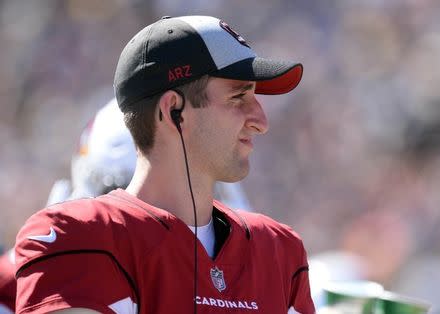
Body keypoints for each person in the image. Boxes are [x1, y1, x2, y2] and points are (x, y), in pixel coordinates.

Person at [15, 15, 314, 313]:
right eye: (238, 98)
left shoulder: (279, 250)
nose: (261, 122)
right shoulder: (79, 236)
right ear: (174, 110)